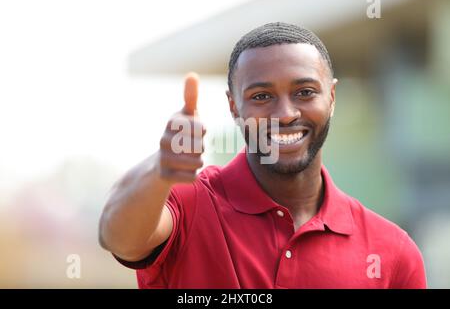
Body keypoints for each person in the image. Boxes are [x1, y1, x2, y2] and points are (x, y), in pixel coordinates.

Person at [98, 22, 426, 288]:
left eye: (305, 92)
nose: (285, 114)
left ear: (332, 97)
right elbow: (119, 236)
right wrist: (162, 167)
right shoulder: (190, 204)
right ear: (233, 106)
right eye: (262, 95)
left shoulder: (393, 251)